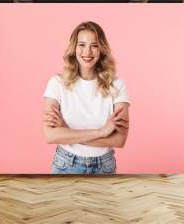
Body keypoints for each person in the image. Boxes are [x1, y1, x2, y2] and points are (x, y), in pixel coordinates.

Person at [42, 21, 130, 174]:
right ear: (74, 48)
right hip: (66, 165)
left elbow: (119, 140)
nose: (87, 52)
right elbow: (50, 135)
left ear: (101, 49)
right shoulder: (56, 83)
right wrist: (101, 132)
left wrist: (67, 132)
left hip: (104, 166)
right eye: (82, 44)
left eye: (94, 45)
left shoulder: (117, 85)